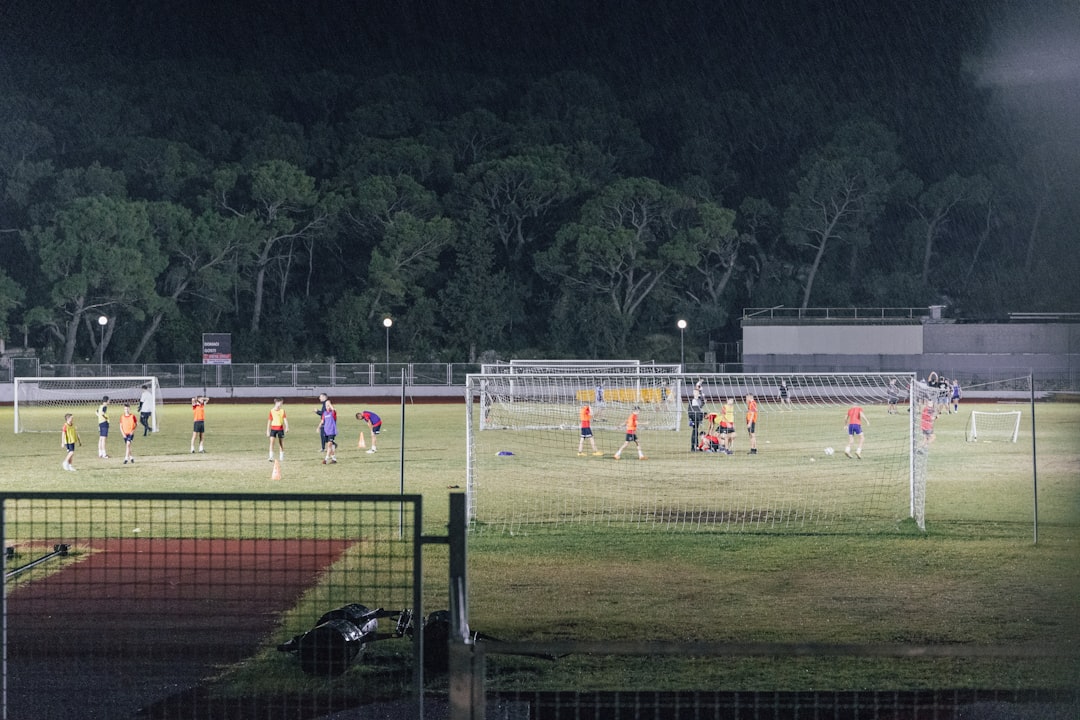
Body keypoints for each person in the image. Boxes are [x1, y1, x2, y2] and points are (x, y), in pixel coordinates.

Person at [320, 398, 338, 464]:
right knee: (330, 446)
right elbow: (322, 421)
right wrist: (318, 427)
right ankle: (334, 459)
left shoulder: (333, 413)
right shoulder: (324, 413)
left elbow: (333, 409)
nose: (327, 407)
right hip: (326, 431)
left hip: (332, 431)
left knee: (329, 445)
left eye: (328, 406)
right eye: (326, 406)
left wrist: (329, 404)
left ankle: (326, 459)